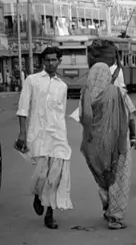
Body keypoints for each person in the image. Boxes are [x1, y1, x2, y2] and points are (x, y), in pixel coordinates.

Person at [15, 47, 72, 229]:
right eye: (47, 60)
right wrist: (22, 133)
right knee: (41, 175)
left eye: (54, 60)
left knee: (54, 176)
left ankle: (50, 214)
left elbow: (61, 113)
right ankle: (38, 196)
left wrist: (63, 135)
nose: (51, 63)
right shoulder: (32, 81)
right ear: (42, 62)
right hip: (38, 135)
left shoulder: (62, 86)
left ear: (59, 61)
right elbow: (23, 108)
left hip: (58, 136)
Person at [79, 63, 136, 230]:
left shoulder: (85, 95)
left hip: (94, 147)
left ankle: (107, 205)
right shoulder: (118, 93)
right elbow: (132, 116)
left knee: (103, 178)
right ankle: (114, 216)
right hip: (118, 144)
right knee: (119, 178)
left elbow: (83, 118)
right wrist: (133, 136)